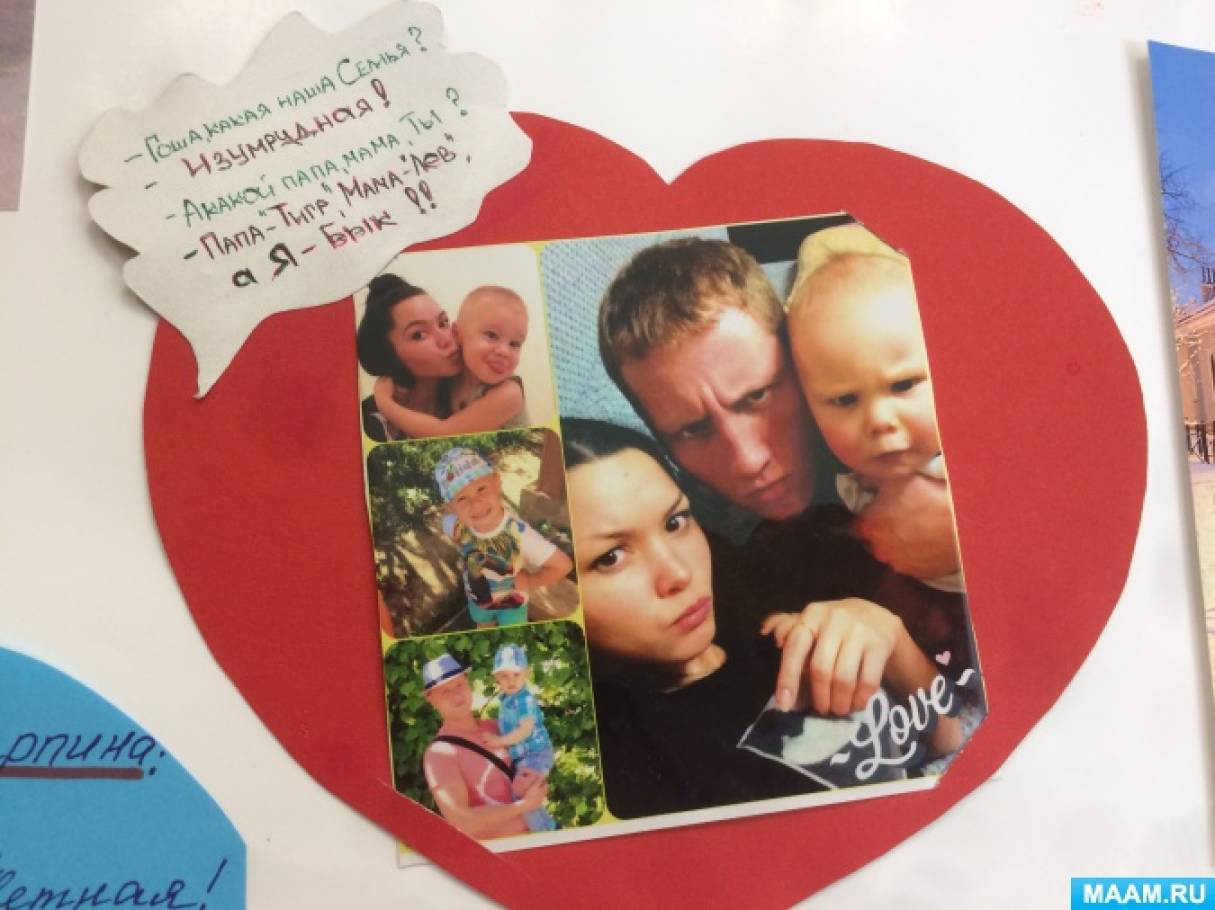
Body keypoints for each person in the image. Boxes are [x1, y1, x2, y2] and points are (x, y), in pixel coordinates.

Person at [561, 419, 966, 818]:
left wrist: (892, 639)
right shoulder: (604, 777)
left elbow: (954, 743)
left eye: (675, 522)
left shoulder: (783, 623)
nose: (678, 573)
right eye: (610, 557)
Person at [597, 236, 971, 664]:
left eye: (757, 396)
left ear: (800, 360)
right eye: (693, 430)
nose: (748, 461)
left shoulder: (911, 409)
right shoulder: (700, 552)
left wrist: (976, 523)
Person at [785, 224, 962, 592]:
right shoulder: (839, 487)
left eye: (903, 385)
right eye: (845, 399)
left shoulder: (974, 462)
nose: (879, 421)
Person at [434, 446, 573, 628]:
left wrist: (530, 581)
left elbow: (562, 565)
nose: (475, 503)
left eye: (481, 488)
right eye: (461, 498)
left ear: (497, 482)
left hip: (511, 606)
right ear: (451, 507)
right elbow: (451, 528)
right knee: (484, 629)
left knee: (512, 639)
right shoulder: (456, 525)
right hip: (478, 602)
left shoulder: (519, 534)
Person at [373, 286, 532, 437]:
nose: (504, 351)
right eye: (492, 335)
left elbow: (445, 432)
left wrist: (386, 404)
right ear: (457, 333)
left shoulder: (509, 394)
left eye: (515, 344)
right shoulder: (453, 376)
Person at [420, 653, 547, 839]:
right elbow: (463, 822)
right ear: (431, 700)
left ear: (468, 683)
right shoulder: (439, 753)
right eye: (445, 692)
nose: (457, 695)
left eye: (459, 685)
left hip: (540, 834)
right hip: (500, 849)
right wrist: (524, 806)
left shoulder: (497, 727)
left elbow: (537, 761)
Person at [356, 273, 462, 442]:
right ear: (389, 354)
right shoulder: (364, 423)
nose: (446, 339)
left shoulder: (471, 397)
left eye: (443, 323)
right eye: (418, 334)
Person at [482, 644, 557, 832]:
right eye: (505, 675)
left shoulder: (524, 700)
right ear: (497, 678)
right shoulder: (508, 701)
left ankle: (546, 831)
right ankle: (548, 827)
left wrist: (499, 741)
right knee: (525, 793)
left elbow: (525, 730)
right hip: (527, 757)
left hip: (536, 754)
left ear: (527, 673)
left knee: (521, 793)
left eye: (516, 674)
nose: (511, 680)